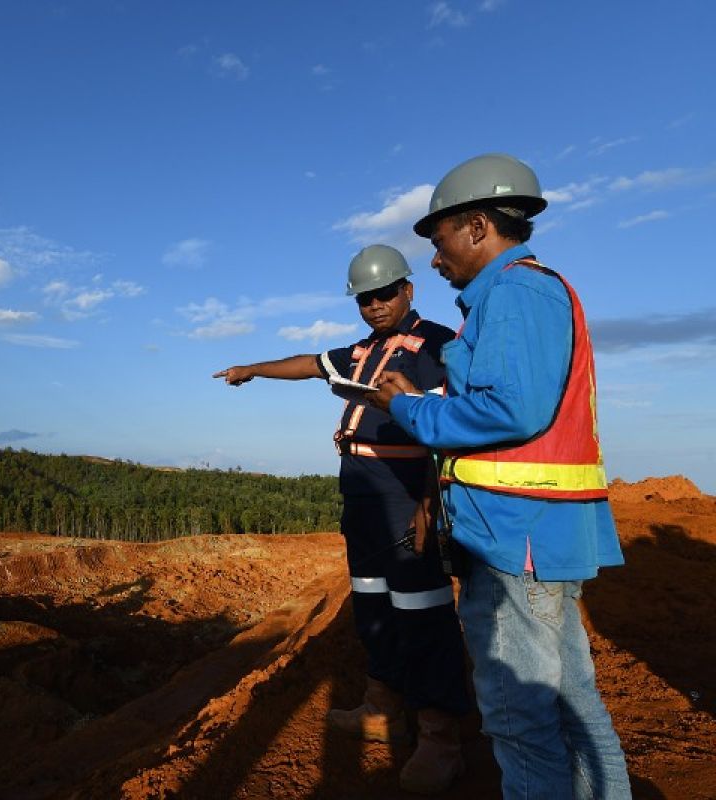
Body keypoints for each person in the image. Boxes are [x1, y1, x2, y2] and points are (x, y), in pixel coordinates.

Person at [368, 153, 632, 798]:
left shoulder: (515, 291)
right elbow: (510, 405)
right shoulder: (522, 292)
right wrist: (425, 403)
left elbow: (510, 408)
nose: (434, 260)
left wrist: (404, 408)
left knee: (520, 720)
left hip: (514, 535)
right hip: (529, 533)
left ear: (479, 225)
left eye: (438, 241)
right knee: (571, 706)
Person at [214, 244, 470, 795]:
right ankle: (382, 710)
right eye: (364, 299)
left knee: (422, 608)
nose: (374, 306)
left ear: (408, 289)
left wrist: (430, 501)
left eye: (383, 294)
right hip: (361, 488)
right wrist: (253, 369)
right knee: (373, 599)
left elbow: (449, 425)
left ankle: (440, 736)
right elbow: (310, 364)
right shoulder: (364, 350)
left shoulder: (441, 346)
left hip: (405, 490)